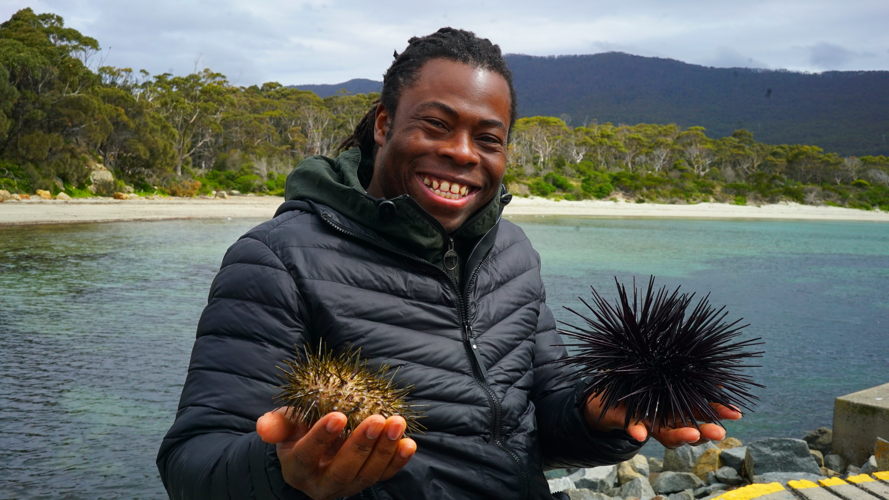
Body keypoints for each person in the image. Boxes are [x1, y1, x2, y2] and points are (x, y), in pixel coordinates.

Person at [157, 27, 740, 499]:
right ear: (384, 124)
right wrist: (286, 472)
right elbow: (191, 464)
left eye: (488, 138)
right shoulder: (277, 258)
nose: (462, 153)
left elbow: (539, 425)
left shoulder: (511, 252)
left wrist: (599, 415)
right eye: (436, 125)